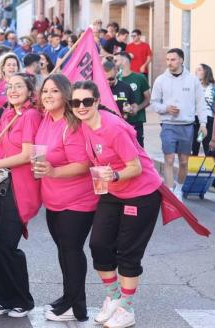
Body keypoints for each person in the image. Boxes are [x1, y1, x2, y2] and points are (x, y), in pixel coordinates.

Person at [70, 80, 163, 328]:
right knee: (99, 244)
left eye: (86, 101)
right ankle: (113, 296)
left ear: (97, 102)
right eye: (76, 102)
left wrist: (116, 175)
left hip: (140, 194)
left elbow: (136, 166)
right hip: (112, 191)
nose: (81, 106)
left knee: (127, 252)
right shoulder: (84, 125)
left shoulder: (112, 128)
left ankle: (127, 309)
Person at [33, 74, 98, 322]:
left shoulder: (72, 124)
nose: (48, 96)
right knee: (63, 251)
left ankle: (76, 306)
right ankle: (68, 296)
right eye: (45, 91)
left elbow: (83, 164)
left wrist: (53, 171)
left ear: (65, 94)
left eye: (54, 91)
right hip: (53, 199)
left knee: (71, 251)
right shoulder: (47, 119)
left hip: (77, 201)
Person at [0, 74, 41, 318]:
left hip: (19, 186)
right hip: (2, 184)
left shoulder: (31, 115)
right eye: (10, 86)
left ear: (29, 90)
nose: (13, 90)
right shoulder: (7, 113)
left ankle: (23, 299)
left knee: (8, 245)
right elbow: (2, 145)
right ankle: (1, 297)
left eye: (18, 86)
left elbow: (26, 155)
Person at [150, 48, 206, 195]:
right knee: (168, 159)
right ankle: (170, 193)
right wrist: (166, 108)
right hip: (168, 125)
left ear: (181, 60)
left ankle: (179, 190)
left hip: (187, 126)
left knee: (183, 162)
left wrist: (203, 124)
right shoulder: (160, 80)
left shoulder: (193, 80)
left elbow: (201, 104)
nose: (169, 62)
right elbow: (154, 103)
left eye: (173, 59)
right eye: (167, 59)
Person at [194, 64, 215, 190]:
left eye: (199, 69)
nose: (197, 71)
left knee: (210, 150)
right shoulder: (193, 87)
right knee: (194, 149)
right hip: (195, 122)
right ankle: (193, 179)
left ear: (206, 72)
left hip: (209, 122)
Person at [116, 52, 151, 147]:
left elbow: (148, 99)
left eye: (116, 60)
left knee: (138, 149)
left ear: (124, 61)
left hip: (136, 121)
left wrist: (137, 108)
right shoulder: (114, 80)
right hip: (118, 123)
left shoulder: (139, 78)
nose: (114, 63)